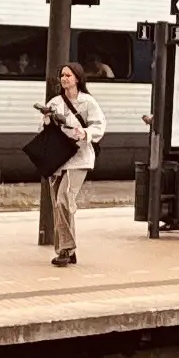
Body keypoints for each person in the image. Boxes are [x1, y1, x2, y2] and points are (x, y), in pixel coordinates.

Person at [37, 64, 105, 268]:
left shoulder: (88, 102)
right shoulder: (55, 102)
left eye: (68, 75)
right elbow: (42, 129)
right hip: (58, 158)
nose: (64, 78)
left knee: (64, 198)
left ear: (78, 79)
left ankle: (64, 249)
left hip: (79, 156)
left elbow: (99, 125)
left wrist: (86, 133)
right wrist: (48, 119)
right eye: (62, 75)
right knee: (58, 203)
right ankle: (70, 250)